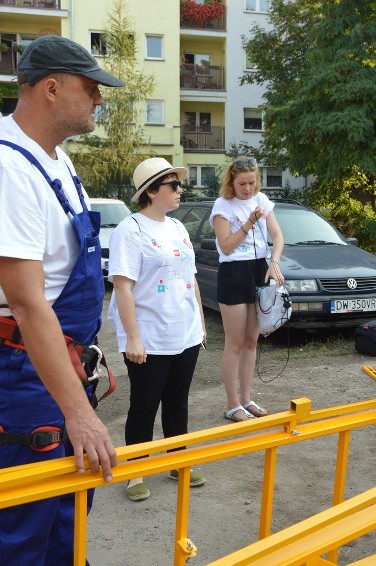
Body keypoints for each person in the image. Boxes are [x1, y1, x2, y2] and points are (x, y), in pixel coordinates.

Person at [0, 35, 124, 564]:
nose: (99, 100)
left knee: (66, 514)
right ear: (52, 87)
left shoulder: (53, 160)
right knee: (19, 527)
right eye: (91, 89)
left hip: (57, 362)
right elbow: (27, 305)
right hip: (19, 368)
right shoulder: (4, 170)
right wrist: (79, 411)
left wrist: (77, 390)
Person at [107, 158, 208, 502]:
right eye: (174, 185)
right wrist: (132, 337)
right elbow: (122, 287)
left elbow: (190, 278)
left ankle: (178, 461)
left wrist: (201, 324)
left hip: (185, 332)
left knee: (177, 403)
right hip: (148, 336)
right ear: (151, 191)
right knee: (144, 405)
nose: (181, 190)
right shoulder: (130, 230)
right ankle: (135, 472)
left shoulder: (178, 228)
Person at [209, 157, 285, 422]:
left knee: (252, 340)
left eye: (252, 182)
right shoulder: (223, 205)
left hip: (258, 268)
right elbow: (227, 246)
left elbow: (278, 237)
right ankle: (232, 403)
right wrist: (250, 223)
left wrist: (274, 263)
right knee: (235, 341)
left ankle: (246, 398)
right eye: (242, 184)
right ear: (232, 181)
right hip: (234, 272)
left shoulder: (262, 200)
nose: (248, 189)